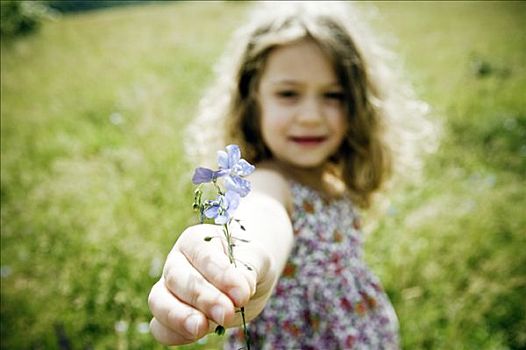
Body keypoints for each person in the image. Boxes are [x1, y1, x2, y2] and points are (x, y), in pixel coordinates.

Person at [148, 2, 434, 349]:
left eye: (333, 95)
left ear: (357, 103)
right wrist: (245, 258)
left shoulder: (333, 181)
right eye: (288, 94)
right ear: (253, 101)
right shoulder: (270, 182)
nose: (311, 115)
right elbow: (261, 215)